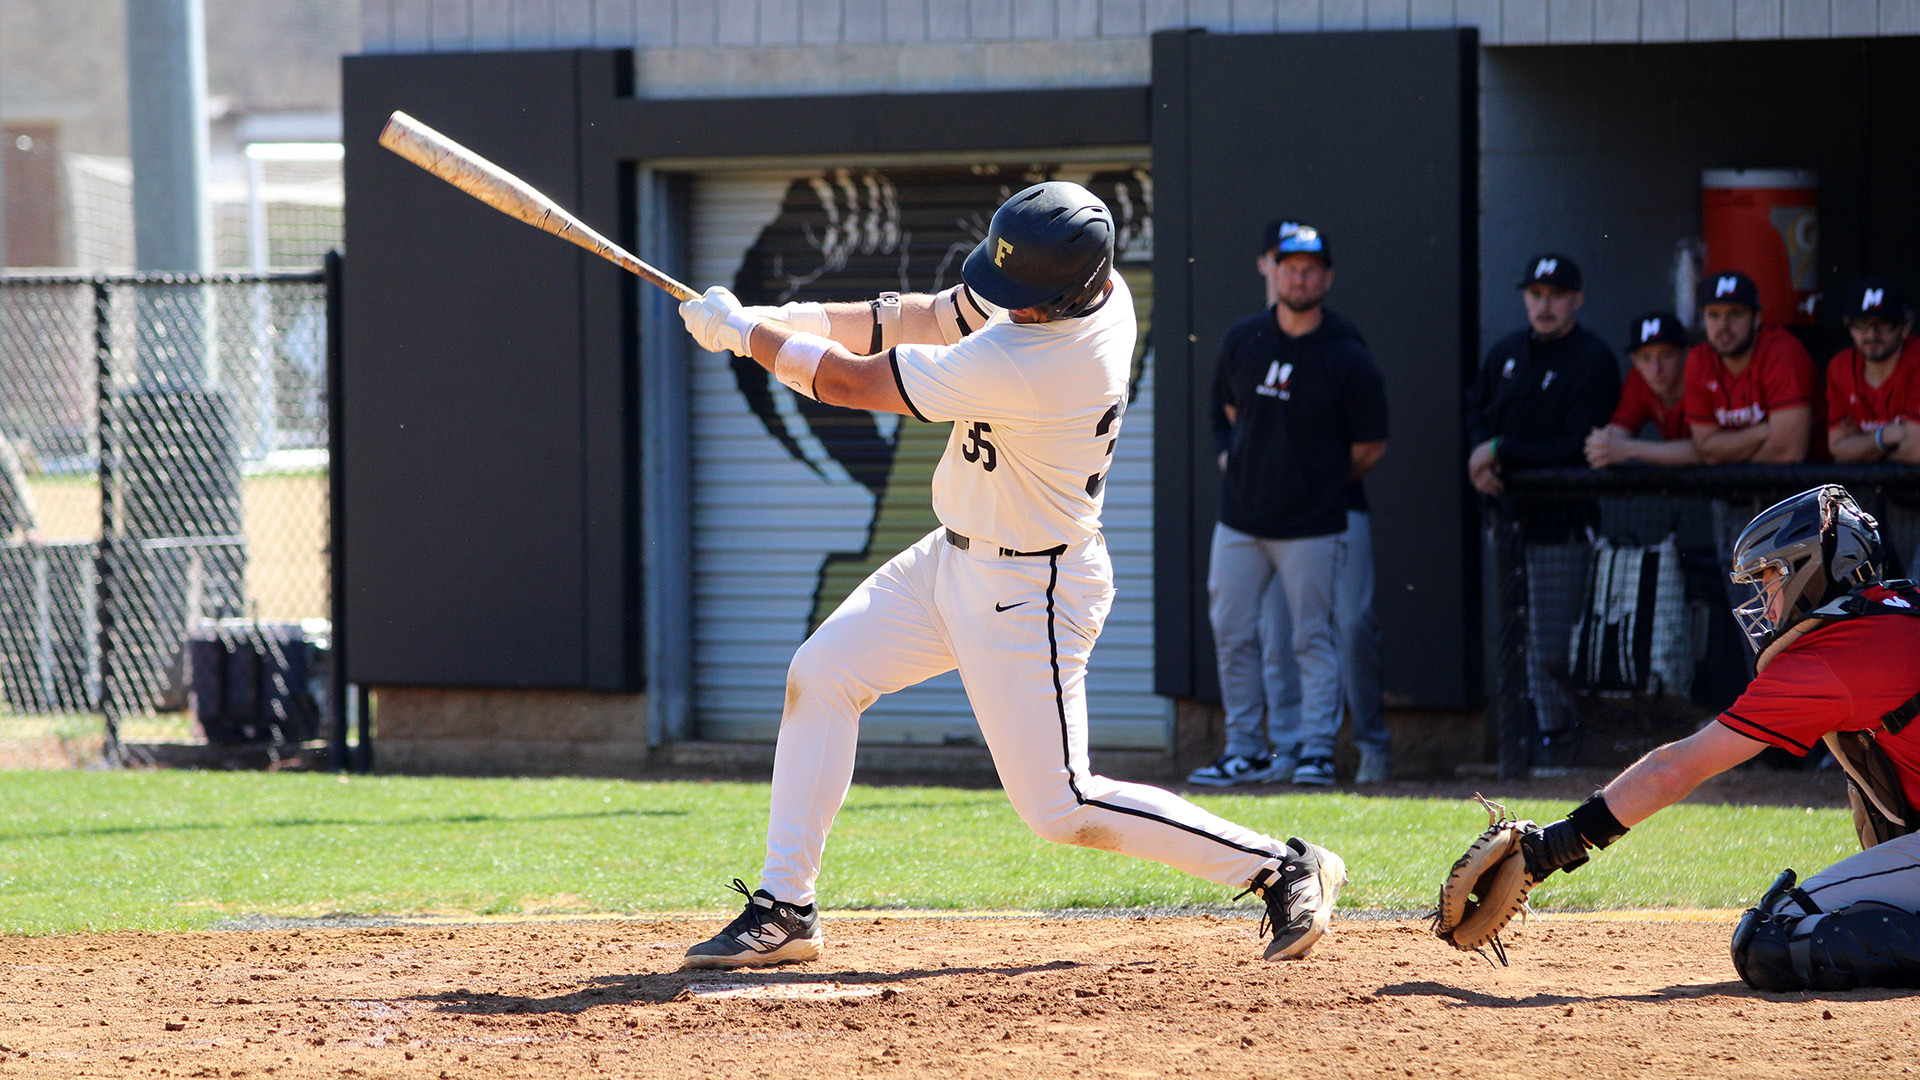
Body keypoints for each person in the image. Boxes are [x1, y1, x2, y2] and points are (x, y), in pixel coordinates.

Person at [674, 181, 1347, 970]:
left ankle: (1281, 865)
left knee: (1061, 806)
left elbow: (855, 383)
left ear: (1073, 288)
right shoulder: (1070, 289)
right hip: (950, 557)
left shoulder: (1040, 361)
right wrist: (784, 320)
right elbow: (925, 314)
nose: (1008, 305)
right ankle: (787, 905)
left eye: (1024, 297)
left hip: (1031, 589)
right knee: (821, 673)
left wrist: (750, 340)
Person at [1511, 485, 1920, 991]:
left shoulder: (1833, 652)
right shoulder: (1900, 607)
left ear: (1813, 571)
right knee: (1871, 796)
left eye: (1771, 576)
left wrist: (1553, 848)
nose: (1763, 598)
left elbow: (1679, 766)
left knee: (1772, 938)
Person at [1192, 221, 1389, 788]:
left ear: (1326, 277)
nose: (1298, 278)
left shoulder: (1346, 353)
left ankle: (1316, 752)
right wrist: (1241, 463)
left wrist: (1314, 483)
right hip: (1240, 521)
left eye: (1309, 269)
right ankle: (1246, 749)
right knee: (1232, 630)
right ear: (1272, 270)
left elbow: (1370, 445)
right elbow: (1223, 413)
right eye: (1289, 267)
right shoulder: (1243, 338)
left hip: (1312, 525)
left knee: (1313, 638)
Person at [1465, 253, 1620, 766]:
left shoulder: (1592, 358)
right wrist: (1483, 455)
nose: (1544, 305)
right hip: (1508, 522)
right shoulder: (1507, 353)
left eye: (1555, 295)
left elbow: (1575, 445)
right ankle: (1544, 738)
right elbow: (1479, 416)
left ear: (1576, 298)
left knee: (1552, 645)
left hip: (1564, 526)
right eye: (1535, 294)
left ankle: (1566, 735)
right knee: (1517, 639)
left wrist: (1499, 452)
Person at [1684, 270, 1816, 464]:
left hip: (1808, 487)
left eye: (1735, 314)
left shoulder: (1782, 352)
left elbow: (1788, 452)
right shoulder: (1699, 359)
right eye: (1713, 315)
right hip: (1745, 486)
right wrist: (1764, 430)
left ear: (1756, 318)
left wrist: (1728, 456)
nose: (1723, 325)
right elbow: (1706, 450)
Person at [1584, 311, 1700, 467]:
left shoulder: (1702, 374)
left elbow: (1708, 449)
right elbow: (1619, 431)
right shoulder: (1639, 378)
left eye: (1666, 356)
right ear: (1635, 361)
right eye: (1646, 358)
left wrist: (1630, 449)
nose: (1656, 368)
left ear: (1685, 354)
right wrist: (1603, 444)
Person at [1826, 276, 1920, 465]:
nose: (1871, 335)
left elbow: (1916, 452)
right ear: (1850, 327)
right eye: (1862, 324)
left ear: (1905, 327)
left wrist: (1862, 446)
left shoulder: (1916, 358)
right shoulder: (1840, 367)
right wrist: (1885, 437)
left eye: (1884, 323)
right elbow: (1838, 451)